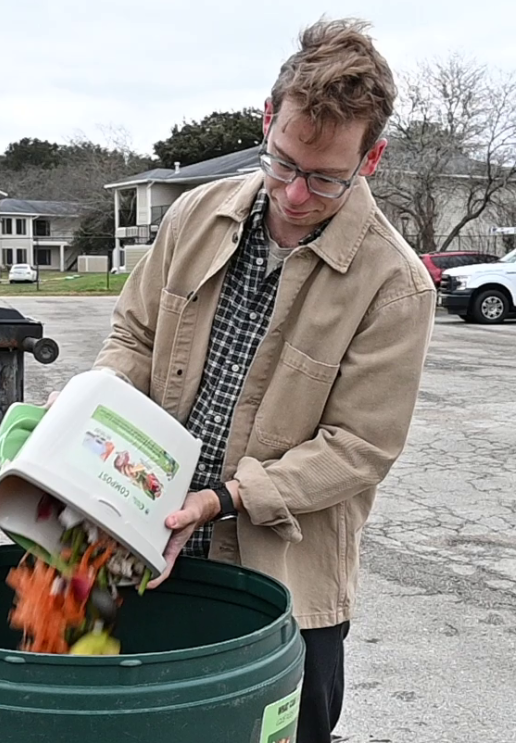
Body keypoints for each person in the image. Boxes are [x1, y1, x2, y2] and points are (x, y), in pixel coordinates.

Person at [70, 17, 435, 743]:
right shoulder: (194, 215)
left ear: (373, 158)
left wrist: (223, 499)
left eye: (327, 176)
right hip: (141, 549)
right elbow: (134, 335)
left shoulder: (396, 285)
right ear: (268, 121)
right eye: (284, 162)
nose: (296, 195)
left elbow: (359, 446)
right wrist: (95, 408)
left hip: (283, 588)